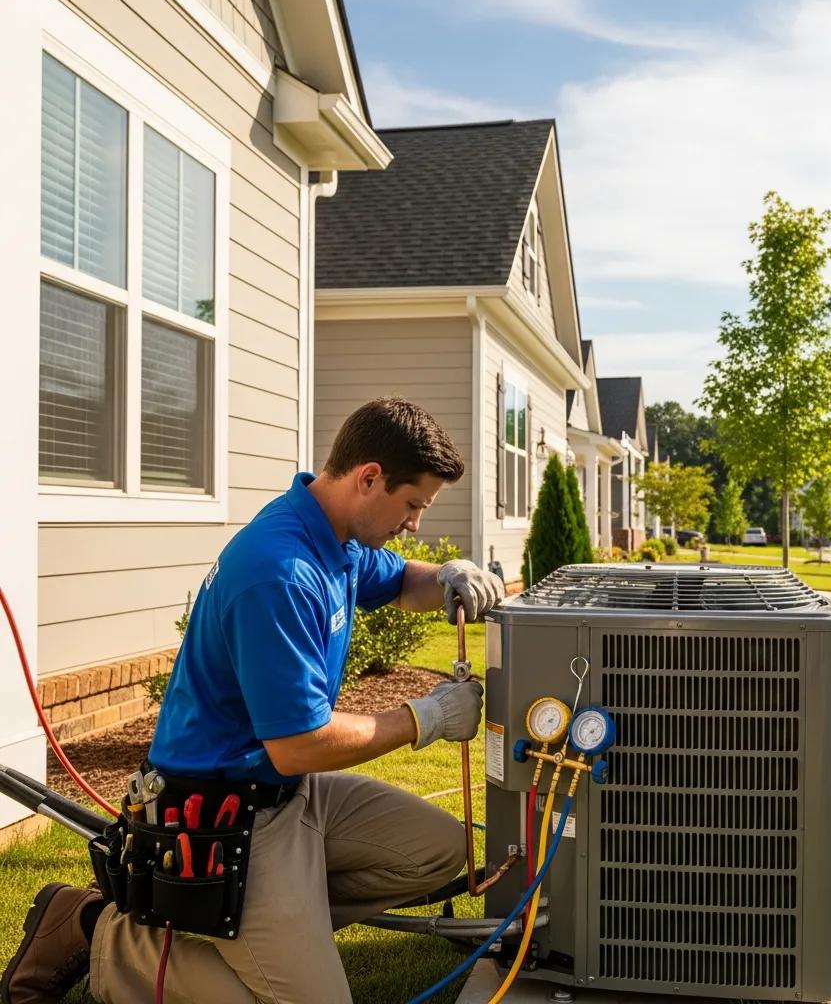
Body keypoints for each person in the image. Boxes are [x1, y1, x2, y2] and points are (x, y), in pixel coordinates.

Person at [1, 398, 505, 1004]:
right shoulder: (280, 573)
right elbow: (298, 745)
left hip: (293, 795)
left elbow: (400, 582)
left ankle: (271, 926)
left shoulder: (332, 538)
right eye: (413, 505)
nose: (414, 524)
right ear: (370, 477)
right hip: (223, 814)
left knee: (437, 850)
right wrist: (427, 718)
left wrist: (447, 575)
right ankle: (103, 937)